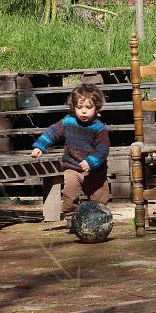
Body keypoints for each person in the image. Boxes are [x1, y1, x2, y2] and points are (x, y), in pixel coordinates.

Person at [30, 83, 110, 226]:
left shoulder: (99, 128)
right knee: (70, 191)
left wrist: (91, 162)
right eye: (79, 108)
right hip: (72, 166)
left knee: (99, 196)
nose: (83, 111)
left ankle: (99, 218)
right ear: (73, 107)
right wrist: (40, 145)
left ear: (97, 108)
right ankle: (71, 217)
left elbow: (103, 149)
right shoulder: (68, 122)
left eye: (88, 107)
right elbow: (53, 132)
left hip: (95, 170)